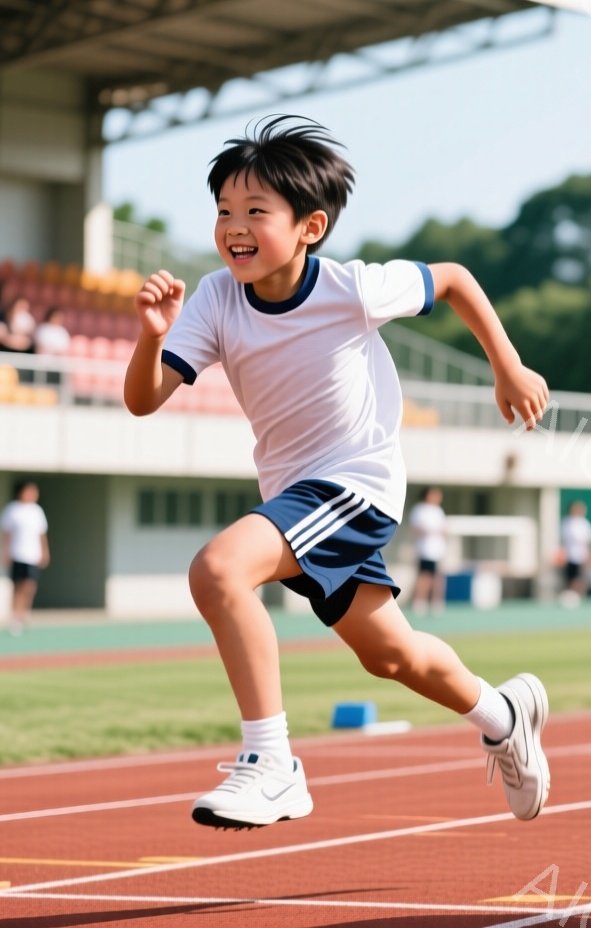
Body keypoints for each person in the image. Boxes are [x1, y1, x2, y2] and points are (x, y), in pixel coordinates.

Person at [122, 115, 552, 830]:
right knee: (393, 656)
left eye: (256, 211)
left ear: (310, 227)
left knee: (218, 571)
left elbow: (453, 279)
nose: (235, 227)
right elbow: (144, 400)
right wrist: (151, 337)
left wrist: (507, 367)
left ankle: (272, 764)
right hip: (296, 498)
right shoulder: (216, 298)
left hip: (355, 486)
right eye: (224, 211)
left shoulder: (352, 288)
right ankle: (503, 714)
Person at [0, 479, 49, 635]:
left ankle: (24, 613)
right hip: (17, 554)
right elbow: (6, 534)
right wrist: (5, 552)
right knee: (17, 586)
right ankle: (14, 617)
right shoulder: (12, 509)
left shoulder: (37, 511)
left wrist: (45, 552)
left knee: (29, 585)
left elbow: (42, 534)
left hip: (32, 555)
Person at [408, 487, 448, 615]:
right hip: (425, 549)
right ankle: (420, 602)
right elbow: (415, 528)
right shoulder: (419, 509)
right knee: (424, 576)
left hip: (438, 550)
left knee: (438, 577)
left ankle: (436, 603)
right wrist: (428, 531)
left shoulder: (438, 511)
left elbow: (444, 529)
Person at [558, 500, 591, 607]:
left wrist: (589, 555)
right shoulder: (566, 523)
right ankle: (570, 598)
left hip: (581, 555)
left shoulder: (584, 523)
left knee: (580, 578)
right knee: (569, 578)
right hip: (569, 556)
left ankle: (579, 597)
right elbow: (562, 540)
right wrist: (561, 554)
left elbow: (588, 541)